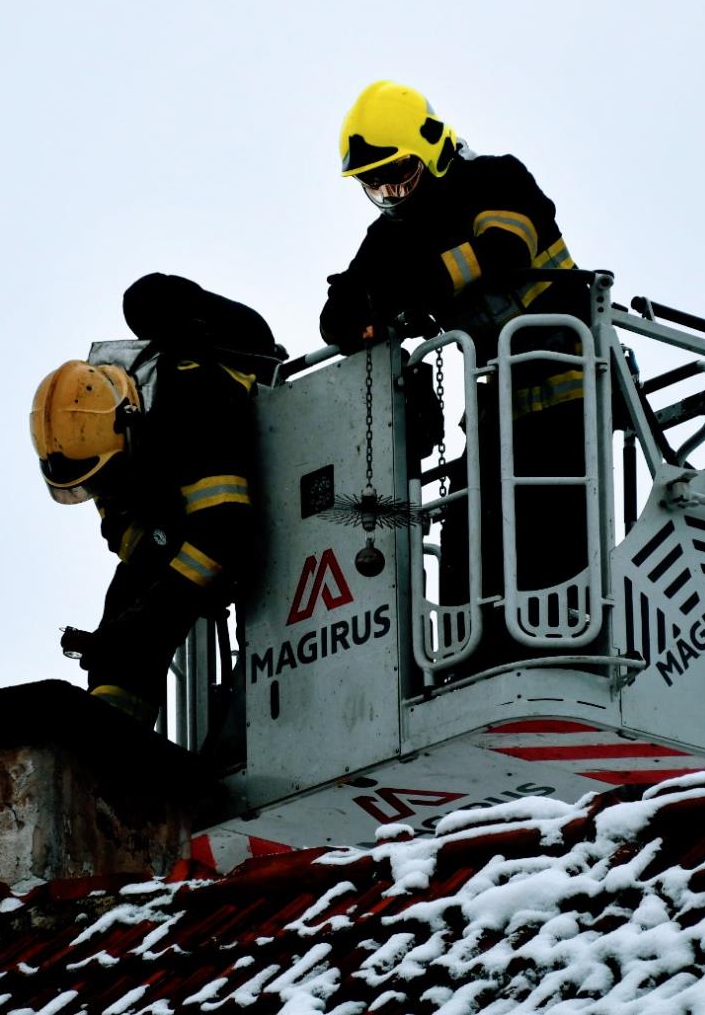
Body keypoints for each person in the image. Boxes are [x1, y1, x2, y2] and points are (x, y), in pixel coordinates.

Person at [320, 80, 589, 606]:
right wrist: (361, 319)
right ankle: (475, 645)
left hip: (572, 390)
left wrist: (410, 289)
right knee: (469, 543)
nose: (390, 191)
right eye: (374, 183)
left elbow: (506, 248)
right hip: (498, 410)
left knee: (552, 544)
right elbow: (338, 312)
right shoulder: (390, 237)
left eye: (398, 173)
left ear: (432, 149)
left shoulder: (495, 179)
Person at [31, 274, 272, 726]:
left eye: (106, 478)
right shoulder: (97, 443)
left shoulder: (194, 398)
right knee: (126, 603)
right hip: (179, 511)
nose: (103, 490)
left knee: (144, 614)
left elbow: (224, 533)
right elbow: (123, 532)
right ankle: (112, 732)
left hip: (246, 504)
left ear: (130, 424)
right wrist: (127, 622)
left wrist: (152, 614)